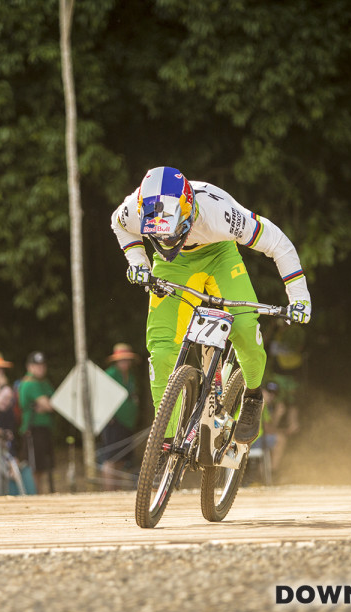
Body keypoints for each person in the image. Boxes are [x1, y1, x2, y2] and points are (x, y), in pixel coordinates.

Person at [112, 166, 312, 446]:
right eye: (158, 235)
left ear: (189, 212)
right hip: (174, 265)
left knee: (244, 327)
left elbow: (278, 242)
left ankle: (253, 396)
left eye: (171, 232)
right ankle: (166, 443)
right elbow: (118, 224)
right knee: (161, 350)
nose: (166, 240)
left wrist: (299, 297)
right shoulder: (134, 208)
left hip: (220, 254)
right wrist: (138, 262)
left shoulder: (221, 216)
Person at [100, 343, 141, 490]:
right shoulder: (110, 374)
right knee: (111, 458)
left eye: (127, 359)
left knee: (122, 458)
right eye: (122, 360)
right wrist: (107, 414)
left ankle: (115, 490)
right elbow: (101, 395)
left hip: (127, 423)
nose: (125, 362)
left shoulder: (129, 376)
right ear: (116, 361)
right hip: (114, 422)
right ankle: (109, 490)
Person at [18, 351, 56, 494]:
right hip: (33, 430)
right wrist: (45, 405)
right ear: (29, 367)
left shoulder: (44, 382)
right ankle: (35, 496)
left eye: (42, 365)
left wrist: (47, 405)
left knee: (43, 467)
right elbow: (50, 405)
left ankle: (41, 494)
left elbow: (55, 403)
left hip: (44, 428)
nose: (40, 369)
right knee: (35, 467)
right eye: (36, 366)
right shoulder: (29, 384)